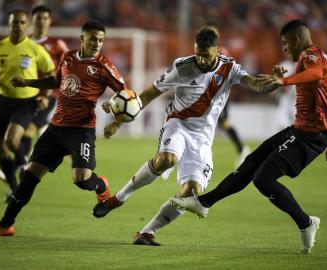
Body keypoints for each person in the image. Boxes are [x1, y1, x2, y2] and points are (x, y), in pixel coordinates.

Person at [170, 20, 327, 254]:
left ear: (296, 40)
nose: (285, 49)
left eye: (285, 43)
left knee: (263, 179)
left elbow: (314, 74)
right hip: (301, 130)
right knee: (251, 163)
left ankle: (306, 223)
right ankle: (203, 203)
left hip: (311, 135)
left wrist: (284, 81)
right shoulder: (326, 62)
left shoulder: (310, 56)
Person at [93, 26, 278, 246]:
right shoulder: (182, 67)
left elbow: (254, 84)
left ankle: (146, 233)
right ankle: (118, 199)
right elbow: (150, 94)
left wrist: (275, 82)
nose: (201, 60)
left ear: (217, 51)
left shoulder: (230, 69)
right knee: (167, 159)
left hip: (203, 139)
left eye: (206, 56)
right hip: (177, 124)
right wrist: (118, 122)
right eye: (198, 53)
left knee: (192, 193)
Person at [0, 20, 124, 236]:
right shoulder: (67, 57)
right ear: (82, 38)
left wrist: (114, 108)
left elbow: (126, 94)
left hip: (81, 130)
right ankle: (5, 225)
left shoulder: (104, 66)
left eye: (101, 40)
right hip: (55, 129)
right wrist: (28, 82)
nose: (97, 44)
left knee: (81, 180)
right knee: (29, 178)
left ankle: (101, 186)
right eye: (93, 39)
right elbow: (57, 81)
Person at [0, 10, 55, 198]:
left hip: (26, 101)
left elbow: (50, 73)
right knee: (1, 149)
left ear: (26, 25)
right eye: (14, 22)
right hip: (3, 101)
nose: (18, 26)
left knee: (11, 140)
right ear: (9, 25)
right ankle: (15, 187)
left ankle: (24, 164)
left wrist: (45, 96)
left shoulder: (35, 49)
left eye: (22, 23)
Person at [0, 5, 69, 186]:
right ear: (31, 21)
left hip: (48, 96)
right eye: (38, 18)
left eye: (45, 18)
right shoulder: (22, 44)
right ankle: (20, 170)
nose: (41, 21)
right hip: (22, 97)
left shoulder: (57, 45)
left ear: (50, 21)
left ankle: (21, 169)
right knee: (10, 141)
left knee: (28, 131)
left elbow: (67, 69)